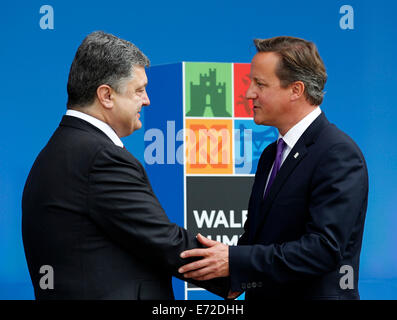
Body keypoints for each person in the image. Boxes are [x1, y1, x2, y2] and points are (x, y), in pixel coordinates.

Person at [22, 31, 227, 300]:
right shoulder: (100, 158)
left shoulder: (60, 150)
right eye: (139, 90)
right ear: (106, 95)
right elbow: (162, 240)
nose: (147, 100)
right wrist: (241, 270)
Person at [179, 36, 369, 300]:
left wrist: (235, 261)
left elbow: (323, 250)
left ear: (296, 90)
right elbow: (259, 238)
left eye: (260, 84)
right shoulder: (271, 154)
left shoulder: (337, 153)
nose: (248, 94)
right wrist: (231, 270)